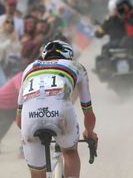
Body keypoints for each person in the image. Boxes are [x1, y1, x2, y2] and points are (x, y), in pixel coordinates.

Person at [16, 40, 98, 178]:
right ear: (69, 56)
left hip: (29, 119)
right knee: (70, 151)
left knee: (37, 173)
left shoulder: (29, 68)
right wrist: (90, 132)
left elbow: (18, 120)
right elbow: (88, 112)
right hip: (61, 116)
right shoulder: (76, 66)